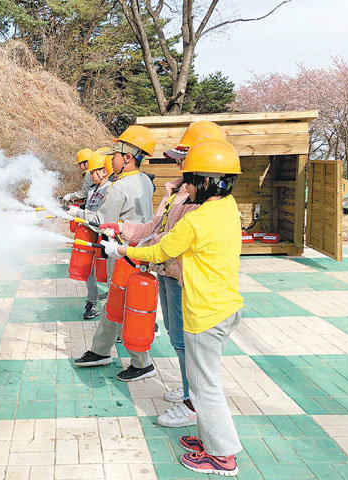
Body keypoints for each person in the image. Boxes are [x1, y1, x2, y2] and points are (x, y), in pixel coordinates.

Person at [101, 139, 244, 477]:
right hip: (227, 307)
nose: (186, 185)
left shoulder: (196, 221)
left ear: (207, 182)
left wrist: (122, 253)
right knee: (202, 384)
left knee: (204, 387)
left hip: (204, 313)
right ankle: (207, 439)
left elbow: (160, 251)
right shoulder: (226, 207)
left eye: (191, 179)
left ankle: (223, 456)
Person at [71, 125, 157, 382]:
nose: (111, 160)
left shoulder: (118, 188)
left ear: (127, 157)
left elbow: (102, 221)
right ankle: (100, 350)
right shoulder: (144, 181)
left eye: (115, 155)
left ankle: (142, 363)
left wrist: (78, 213)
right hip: (139, 251)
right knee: (114, 304)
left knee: (124, 305)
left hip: (122, 252)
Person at [79, 151, 114, 319]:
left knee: (109, 273)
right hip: (91, 235)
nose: (90, 175)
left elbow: (102, 218)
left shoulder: (111, 190)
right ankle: (91, 302)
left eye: (94, 172)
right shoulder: (94, 190)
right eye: (90, 172)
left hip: (106, 238)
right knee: (89, 271)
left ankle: (116, 312)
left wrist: (79, 213)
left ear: (105, 171)